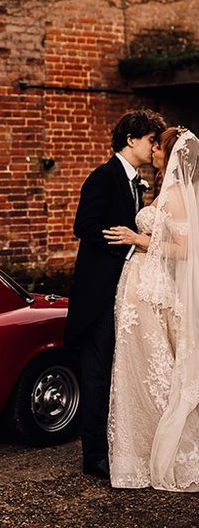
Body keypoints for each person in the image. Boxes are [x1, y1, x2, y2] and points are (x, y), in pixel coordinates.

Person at [65, 109, 166, 479]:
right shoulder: (103, 177)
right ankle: (94, 457)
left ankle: (117, 444)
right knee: (96, 375)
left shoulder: (136, 182)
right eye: (151, 140)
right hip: (98, 297)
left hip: (126, 294)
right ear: (131, 140)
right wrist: (128, 244)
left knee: (118, 373)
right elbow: (85, 226)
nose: (155, 146)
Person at [104, 126, 199, 491]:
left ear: (171, 153)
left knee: (154, 367)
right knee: (139, 368)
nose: (154, 150)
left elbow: (188, 250)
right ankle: (137, 453)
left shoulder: (177, 195)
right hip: (139, 287)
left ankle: (163, 453)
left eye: (159, 146)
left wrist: (138, 239)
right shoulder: (163, 191)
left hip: (151, 291)